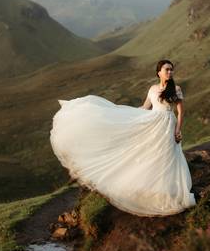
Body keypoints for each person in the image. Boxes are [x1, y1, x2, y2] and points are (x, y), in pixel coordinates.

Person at [49, 59, 196, 216]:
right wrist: (124, 114)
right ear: (158, 72)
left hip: (168, 124)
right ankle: (156, 191)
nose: (170, 72)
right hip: (153, 123)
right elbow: (146, 107)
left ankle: (171, 191)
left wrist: (178, 130)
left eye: (171, 69)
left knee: (169, 156)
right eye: (166, 69)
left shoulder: (176, 89)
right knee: (154, 155)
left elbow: (180, 112)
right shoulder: (152, 89)